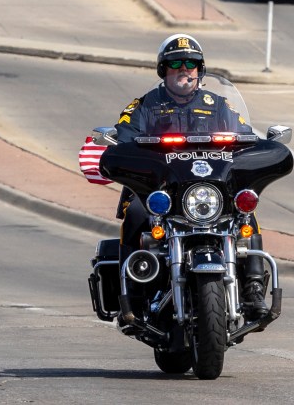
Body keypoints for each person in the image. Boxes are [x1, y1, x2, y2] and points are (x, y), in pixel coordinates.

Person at [113, 34, 268, 319]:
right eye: (176, 63)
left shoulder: (219, 104)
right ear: (164, 70)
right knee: (135, 212)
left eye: (191, 63)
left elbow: (247, 136)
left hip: (209, 189)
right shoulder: (144, 105)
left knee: (247, 211)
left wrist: (260, 147)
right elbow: (123, 138)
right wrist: (123, 147)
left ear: (200, 69)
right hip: (160, 190)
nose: (184, 68)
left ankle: (253, 287)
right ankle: (131, 297)